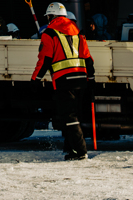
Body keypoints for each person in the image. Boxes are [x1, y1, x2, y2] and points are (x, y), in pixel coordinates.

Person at [31, 2, 95, 161]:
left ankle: (80, 152)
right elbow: (88, 58)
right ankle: (71, 149)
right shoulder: (78, 32)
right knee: (75, 116)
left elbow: (44, 59)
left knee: (69, 117)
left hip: (64, 80)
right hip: (81, 79)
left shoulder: (50, 33)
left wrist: (35, 79)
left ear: (51, 16)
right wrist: (91, 78)